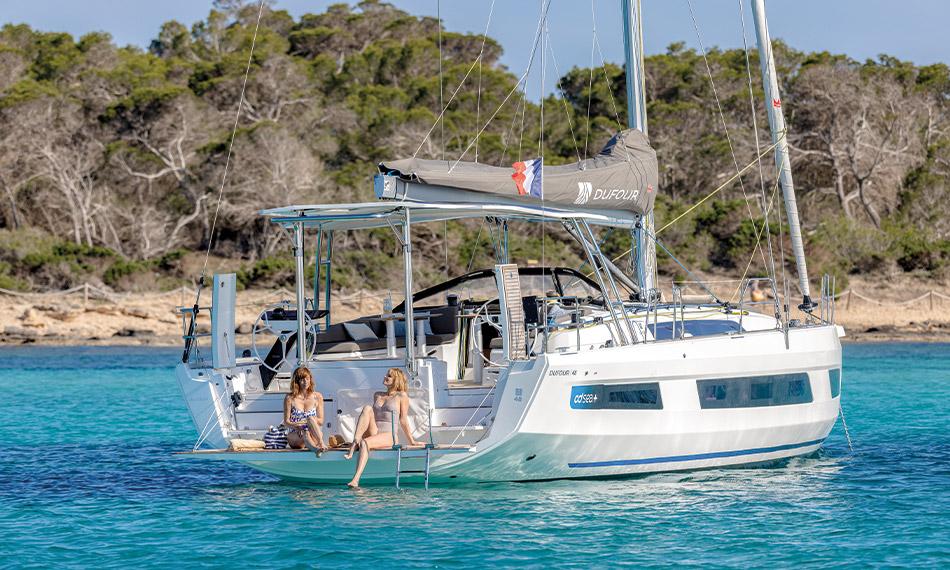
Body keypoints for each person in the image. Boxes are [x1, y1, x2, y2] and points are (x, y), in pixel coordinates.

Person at [344, 367, 424, 488]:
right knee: (367, 408)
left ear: (396, 380)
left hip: (389, 435)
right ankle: (355, 442)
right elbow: (369, 417)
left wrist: (412, 441)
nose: (385, 377)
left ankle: (356, 479)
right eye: (386, 375)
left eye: (389, 376)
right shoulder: (377, 395)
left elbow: (403, 420)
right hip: (375, 432)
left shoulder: (401, 396)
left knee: (365, 443)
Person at [283, 366, 328, 453]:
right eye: (302, 379)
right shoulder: (289, 398)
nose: (305, 381)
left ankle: (321, 443)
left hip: (314, 433)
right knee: (305, 431)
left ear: (310, 379)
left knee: (310, 419)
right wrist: (298, 426)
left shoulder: (318, 396)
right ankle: (316, 449)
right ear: (297, 381)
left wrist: (308, 422)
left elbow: (321, 421)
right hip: (296, 434)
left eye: (307, 379)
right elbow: (286, 422)